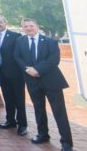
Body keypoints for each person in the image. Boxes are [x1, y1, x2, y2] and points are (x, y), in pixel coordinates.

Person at [14, 18, 73, 151]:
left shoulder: (50, 41)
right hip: (32, 81)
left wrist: (37, 70)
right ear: (22, 28)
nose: (29, 28)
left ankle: (66, 142)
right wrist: (27, 69)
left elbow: (54, 59)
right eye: (26, 26)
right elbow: (17, 57)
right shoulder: (20, 41)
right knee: (38, 109)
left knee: (59, 112)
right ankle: (43, 134)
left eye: (31, 26)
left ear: (37, 26)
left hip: (51, 81)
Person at [0, 15, 27, 136]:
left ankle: (22, 124)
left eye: (0, 22)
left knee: (19, 100)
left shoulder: (16, 36)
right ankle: (10, 121)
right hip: (2, 74)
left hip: (16, 74)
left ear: (6, 22)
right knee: (8, 98)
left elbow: (20, 54)